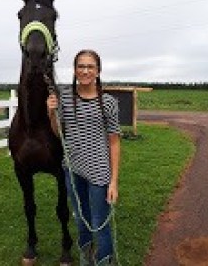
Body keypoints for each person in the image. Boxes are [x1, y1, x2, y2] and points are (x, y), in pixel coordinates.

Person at [46, 49, 121, 266]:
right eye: (81, 66)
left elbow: (114, 142)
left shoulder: (107, 102)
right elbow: (57, 132)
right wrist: (51, 113)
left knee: (99, 222)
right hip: (72, 169)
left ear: (98, 71)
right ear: (75, 70)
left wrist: (114, 181)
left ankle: (104, 261)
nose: (85, 70)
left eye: (90, 66)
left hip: (99, 172)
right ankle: (86, 258)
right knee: (81, 219)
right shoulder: (65, 96)